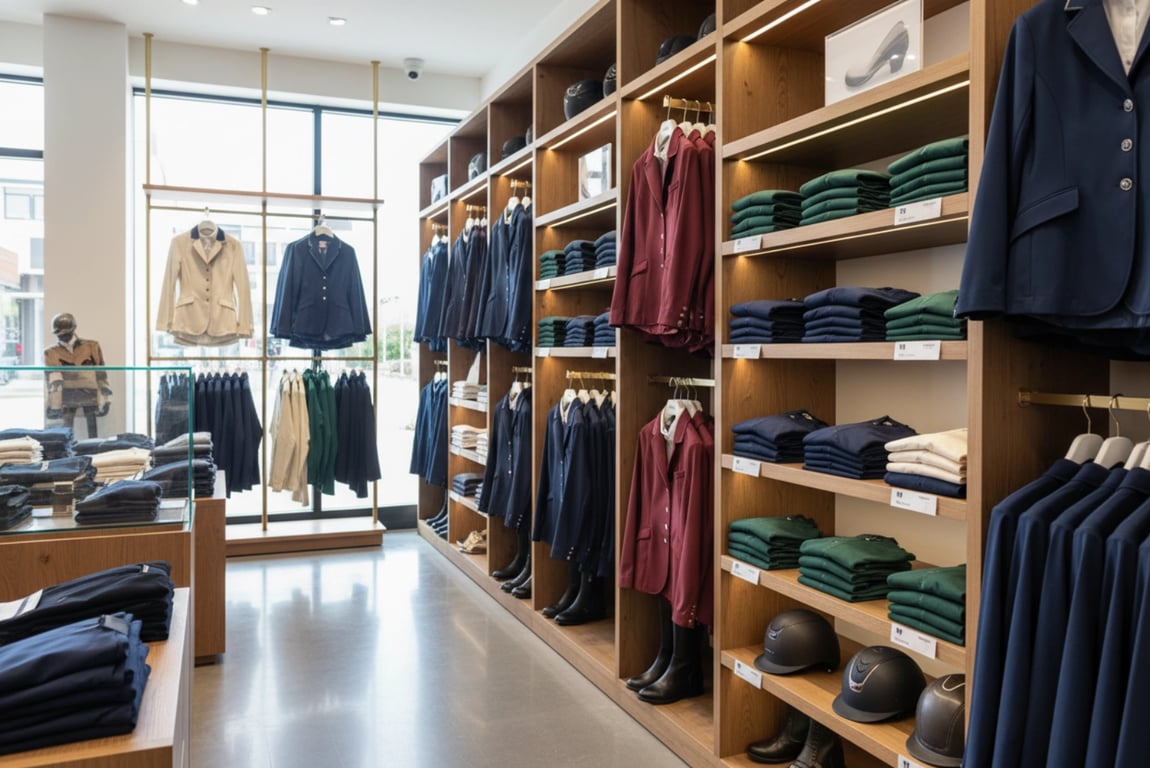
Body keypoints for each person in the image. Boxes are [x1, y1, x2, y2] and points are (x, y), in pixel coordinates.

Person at [43, 313, 111, 438]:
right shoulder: (50, 352)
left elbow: (101, 372)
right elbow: (52, 379)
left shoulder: (91, 346)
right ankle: (68, 453)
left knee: (92, 429)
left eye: (65, 333)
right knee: (67, 430)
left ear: (73, 329)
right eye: (60, 334)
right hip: (67, 394)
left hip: (89, 392)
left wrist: (106, 397)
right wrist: (53, 404)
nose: (63, 336)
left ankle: (94, 451)